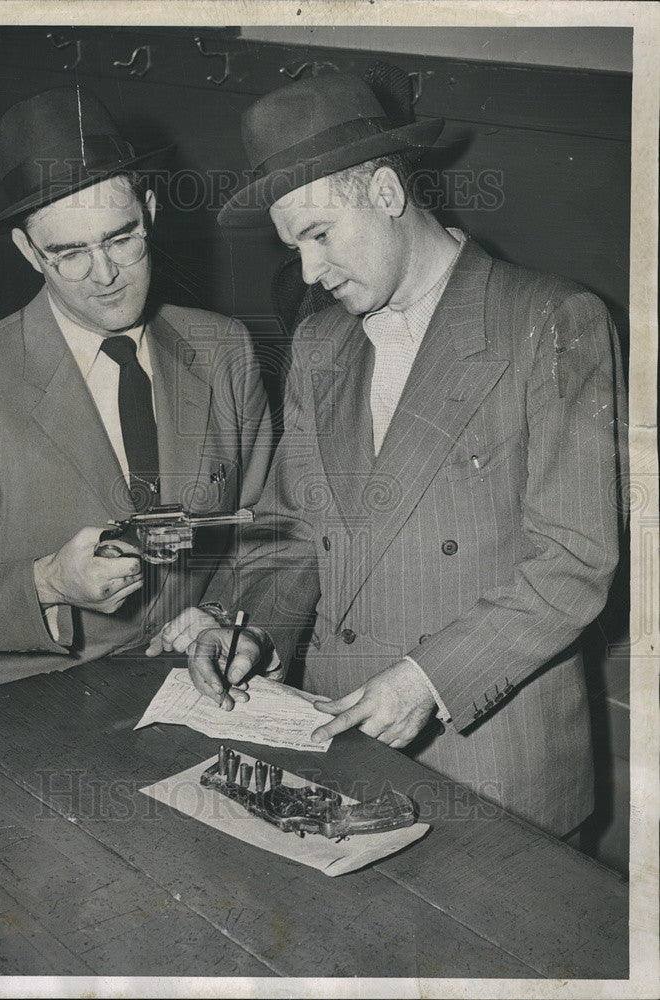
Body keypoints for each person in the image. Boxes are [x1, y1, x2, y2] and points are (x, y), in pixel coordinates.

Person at [147, 73, 628, 837]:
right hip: (343, 743)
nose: (308, 273)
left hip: (487, 759)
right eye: (292, 246)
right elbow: (295, 529)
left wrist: (429, 680)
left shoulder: (549, 322)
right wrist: (252, 633)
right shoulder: (318, 341)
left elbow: (573, 560)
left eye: (319, 235)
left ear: (384, 191)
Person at [0, 87, 273, 698]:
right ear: (28, 251)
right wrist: (46, 583)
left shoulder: (225, 350)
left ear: (149, 209)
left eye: (122, 238)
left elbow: (263, 528)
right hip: (22, 710)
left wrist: (219, 615)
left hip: (191, 689)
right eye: (69, 253)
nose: (105, 273)